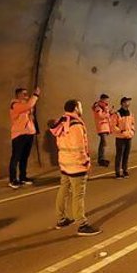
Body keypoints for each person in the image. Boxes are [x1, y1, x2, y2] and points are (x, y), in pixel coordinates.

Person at [49, 99, 101, 236]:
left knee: (63, 190)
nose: (81, 108)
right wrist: (86, 163)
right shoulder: (76, 124)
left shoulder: (61, 121)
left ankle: (61, 219)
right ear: (76, 108)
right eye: (80, 106)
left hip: (65, 163)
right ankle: (82, 225)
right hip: (76, 165)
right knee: (78, 195)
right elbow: (79, 148)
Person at [8, 87, 40, 189]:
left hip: (28, 133)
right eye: (24, 94)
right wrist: (35, 95)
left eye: (27, 94)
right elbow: (29, 105)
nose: (27, 96)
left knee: (24, 157)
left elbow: (30, 112)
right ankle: (13, 180)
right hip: (19, 134)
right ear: (18, 95)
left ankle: (23, 177)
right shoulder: (15, 105)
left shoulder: (26, 106)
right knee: (16, 157)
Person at [111, 97, 136, 179]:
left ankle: (125, 170)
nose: (128, 103)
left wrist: (132, 131)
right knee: (119, 155)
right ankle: (117, 172)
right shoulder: (117, 114)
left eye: (129, 102)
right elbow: (113, 125)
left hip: (128, 137)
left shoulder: (130, 113)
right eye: (126, 102)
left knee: (126, 154)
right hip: (120, 138)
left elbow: (133, 123)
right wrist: (121, 132)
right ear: (122, 103)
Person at [91, 94, 112, 167]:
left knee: (102, 143)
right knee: (103, 143)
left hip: (105, 127)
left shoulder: (105, 107)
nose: (107, 101)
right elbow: (100, 116)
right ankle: (101, 159)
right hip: (101, 127)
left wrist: (109, 113)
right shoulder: (98, 107)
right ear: (102, 99)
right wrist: (107, 113)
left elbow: (107, 116)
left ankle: (101, 158)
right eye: (106, 99)